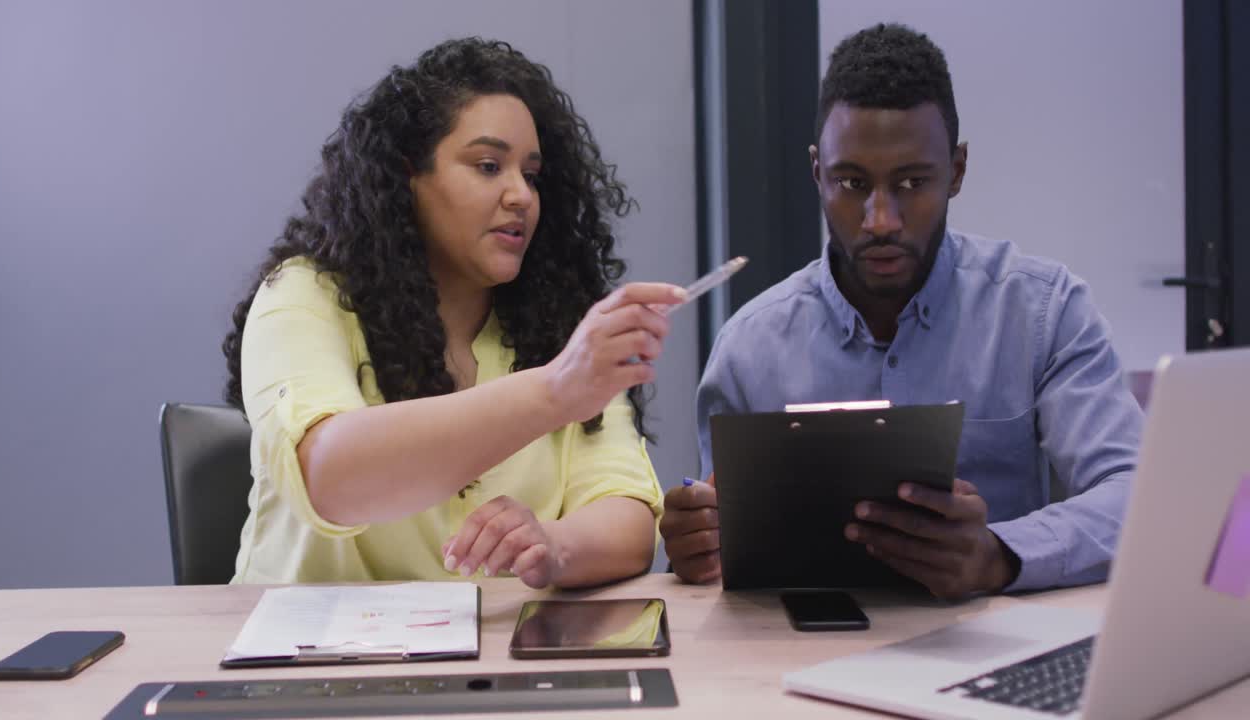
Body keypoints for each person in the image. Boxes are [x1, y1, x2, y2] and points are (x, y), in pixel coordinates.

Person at [661, 23, 1144, 599]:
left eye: (913, 182)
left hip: (992, 651)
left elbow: (1134, 492)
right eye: (852, 182)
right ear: (818, 172)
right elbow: (717, 556)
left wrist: (1001, 554)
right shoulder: (748, 348)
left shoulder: (1044, 312)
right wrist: (693, 547)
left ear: (957, 171)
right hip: (795, 659)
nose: (881, 219)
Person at [222, 37, 686, 589]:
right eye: (488, 166)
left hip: (493, 655)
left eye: (531, 175)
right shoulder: (303, 295)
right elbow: (333, 478)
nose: (521, 196)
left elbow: (628, 514)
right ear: (406, 177)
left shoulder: (558, 323)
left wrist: (551, 544)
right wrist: (555, 390)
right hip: (306, 657)